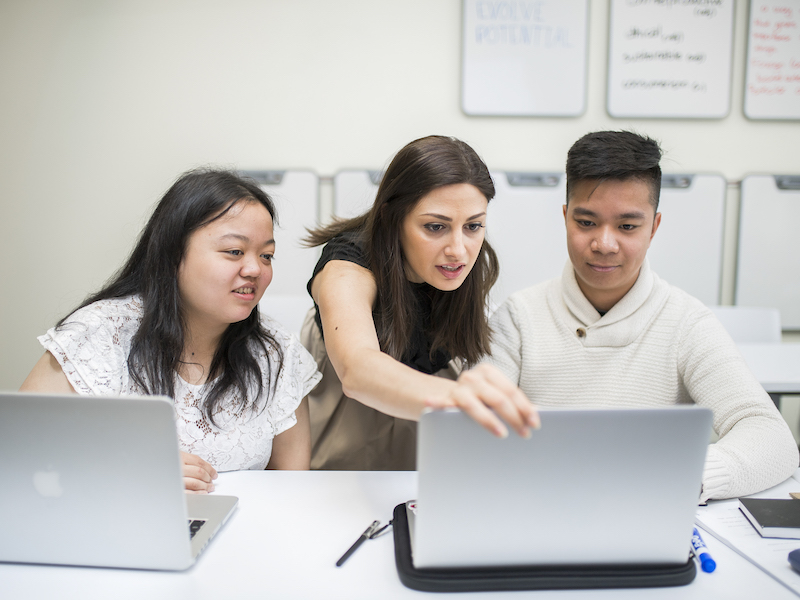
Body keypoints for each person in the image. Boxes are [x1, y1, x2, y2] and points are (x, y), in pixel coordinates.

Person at [486, 130, 799, 501]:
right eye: (586, 223)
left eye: (627, 226)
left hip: (649, 512)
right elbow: (471, 434)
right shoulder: (518, 318)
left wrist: (680, 477)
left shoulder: (685, 322)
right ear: (566, 217)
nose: (604, 244)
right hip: (535, 508)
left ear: (654, 226)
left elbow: (772, 436)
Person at [20, 169, 322, 492]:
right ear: (174, 253)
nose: (254, 270)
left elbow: (291, 492)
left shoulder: (278, 354)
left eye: (266, 256)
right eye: (235, 251)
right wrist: (131, 469)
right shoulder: (99, 333)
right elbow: (18, 455)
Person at [301, 135, 540, 470]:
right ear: (392, 217)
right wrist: (457, 397)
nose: (458, 249)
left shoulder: (466, 259)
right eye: (435, 227)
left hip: (428, 465)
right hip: (343, 464)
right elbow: (357, 369)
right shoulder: (345, 268)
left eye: (473, 226)